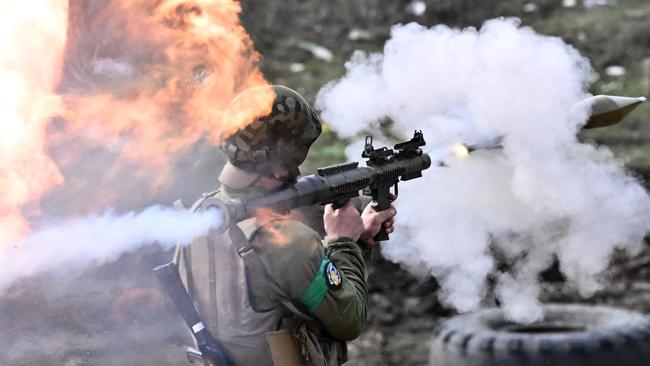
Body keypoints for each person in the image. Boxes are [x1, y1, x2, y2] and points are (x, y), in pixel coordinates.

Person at [174, 85, 397, 366]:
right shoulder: (286, 241)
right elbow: (349, 319)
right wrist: (344, 242)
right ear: (280, 165)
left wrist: (362, 238)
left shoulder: (198, 215)